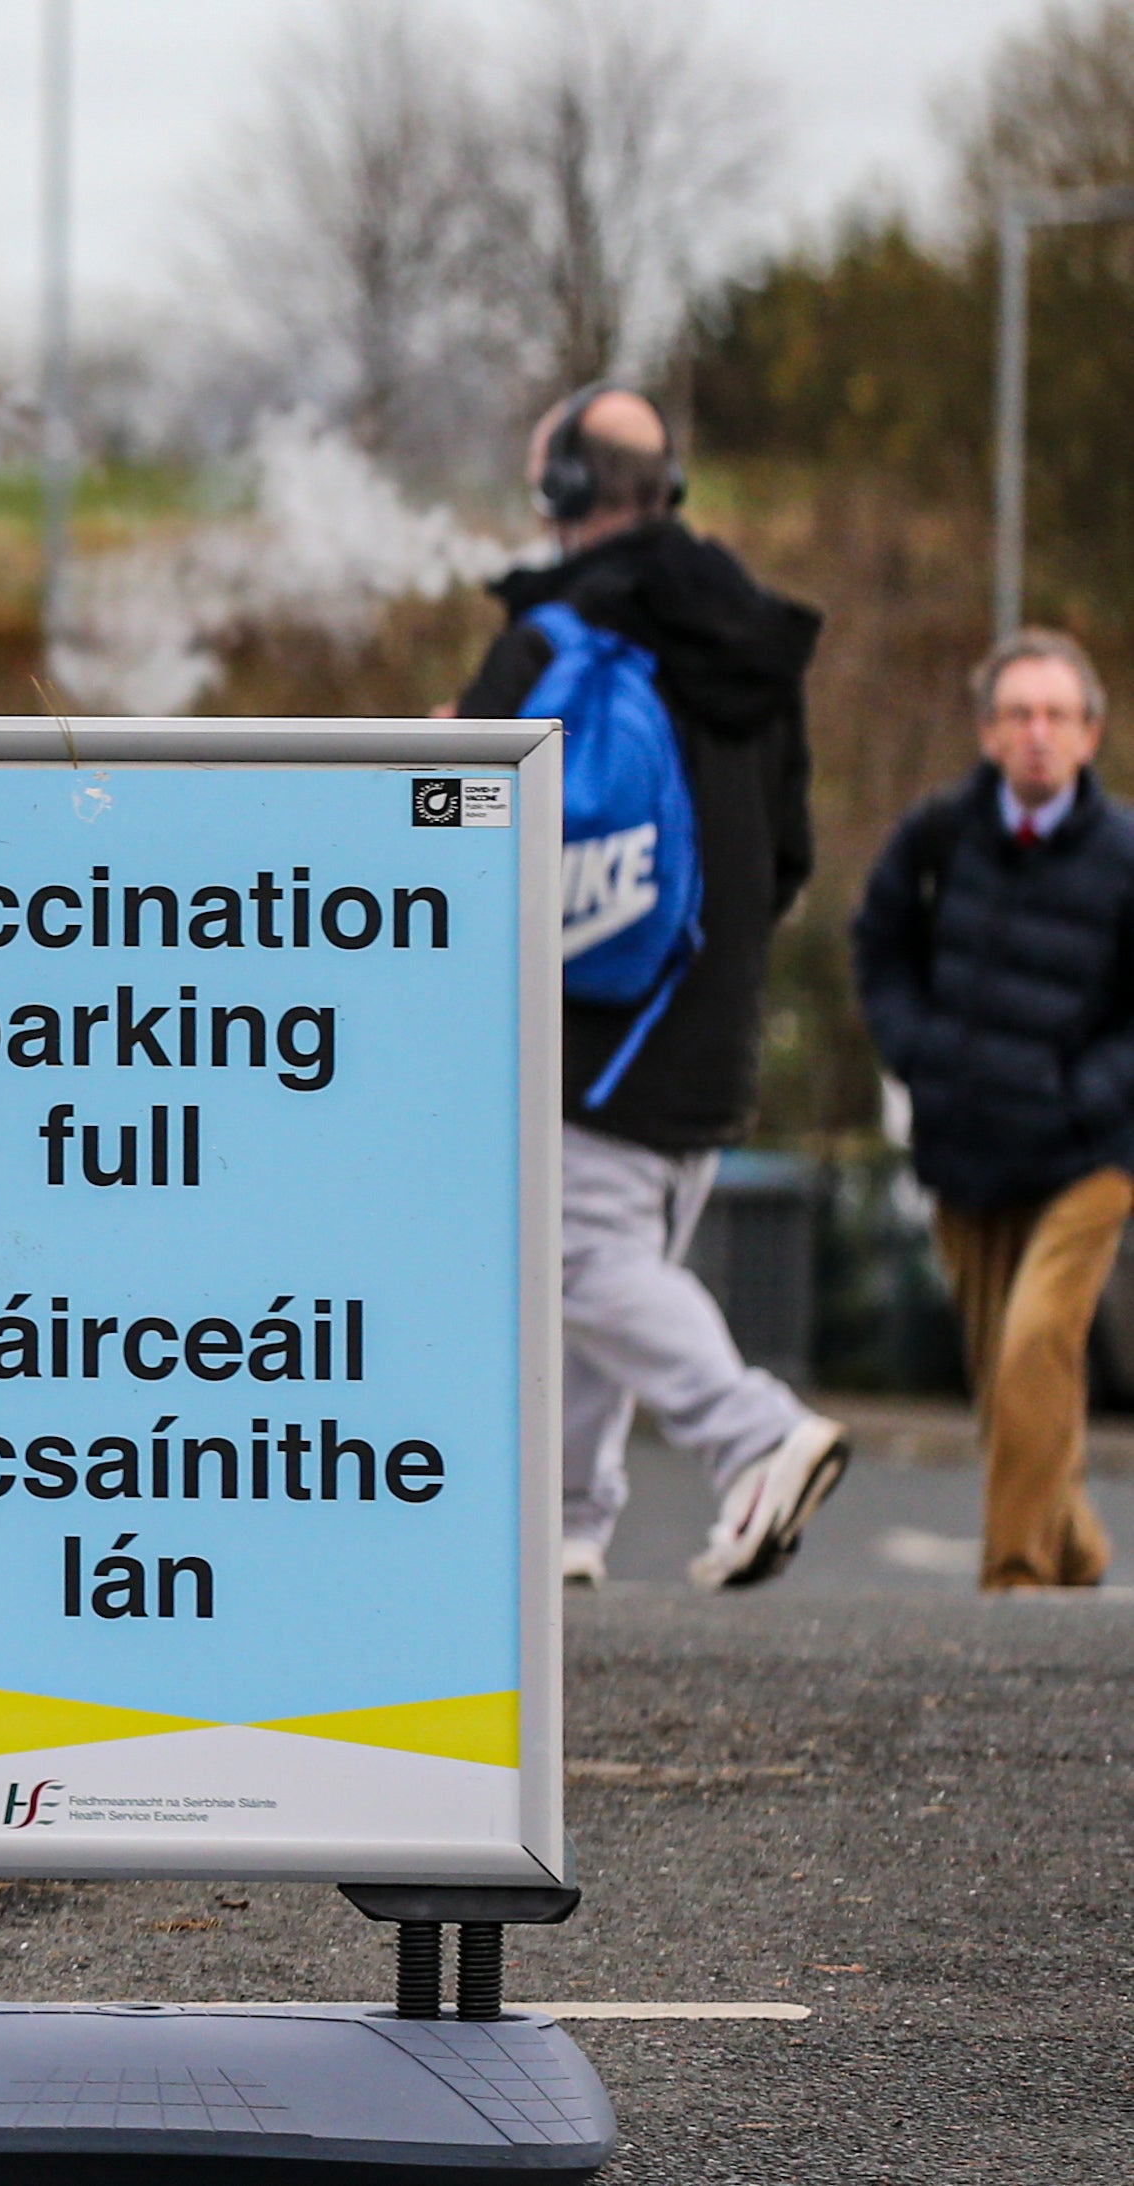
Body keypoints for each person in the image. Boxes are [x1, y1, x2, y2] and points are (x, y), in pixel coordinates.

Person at [451, 385, 847, 1587]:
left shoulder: (551, 643)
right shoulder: (752, 641)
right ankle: (567, 1520)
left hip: (592, 1021)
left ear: (566, 491)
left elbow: (453, 842)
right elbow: (788, 854)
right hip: (710, 1020)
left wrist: (437, 740)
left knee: (575, 1261)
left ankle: (755, 1433)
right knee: (609, 1266)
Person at [849, 629, 1129, 1591]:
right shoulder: (936, 835)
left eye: (1056, 715)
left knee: (1034, 1343)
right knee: (1003, 1382)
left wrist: (1083, 1094)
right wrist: (918, 1056)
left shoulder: (1123, 855)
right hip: (966, 1148)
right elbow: (877, 943)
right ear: (986, 731)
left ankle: (1013, 1576)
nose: (1037, 734)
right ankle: (1077, 1542)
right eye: (1018, 715)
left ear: (1090, 734)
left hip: (1088, 1156)